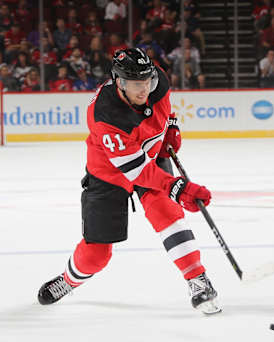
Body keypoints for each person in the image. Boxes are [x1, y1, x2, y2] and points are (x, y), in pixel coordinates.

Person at [37, 48, 221, 315]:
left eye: (147, 82)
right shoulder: (105, 114)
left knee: (168, 214)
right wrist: (177, 188)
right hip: (109, 171)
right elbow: (137, 172)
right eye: (136, 84)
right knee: (96, 255)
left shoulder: (157, 81)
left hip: (150, 155)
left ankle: (197, 279)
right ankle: (68, 281)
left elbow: (166, 107)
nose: (144, 89)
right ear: (119, 82)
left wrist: (170, 126)